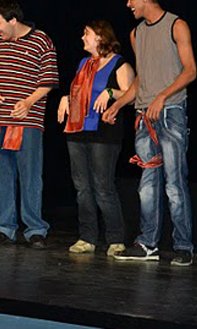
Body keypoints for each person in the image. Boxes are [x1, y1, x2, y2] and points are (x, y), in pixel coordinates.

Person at [103, 0, 197, 266]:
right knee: (147, 185)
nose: (128, 4)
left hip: (170, 113)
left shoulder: (176, 25)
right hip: (144, 116)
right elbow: (141, 78)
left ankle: (183, 246)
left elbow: (190, 71)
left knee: (174, 183)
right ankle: (147, 244)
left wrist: (162, 97)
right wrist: (118, 104)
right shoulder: (136, 33)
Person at [0, 0, 59, 249]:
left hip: (27, 121)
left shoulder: (41, 40)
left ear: (13, 20)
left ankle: (35, 229)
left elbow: (49, 80)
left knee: (30, 176)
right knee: (2, 176)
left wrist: (28, 102)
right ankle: (4, 227)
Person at [58, 20, 135, 257]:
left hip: (104, 133)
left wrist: (110, 92)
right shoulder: (84, 63)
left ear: (100, 37)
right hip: (77, 130)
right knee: (82, 188)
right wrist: (65, 99)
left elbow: (132, 95)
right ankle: (87, 238)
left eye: (86, 34)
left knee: (103, 186)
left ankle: (116, 239)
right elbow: (79, 93)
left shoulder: (119, 64)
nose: (83, 38)